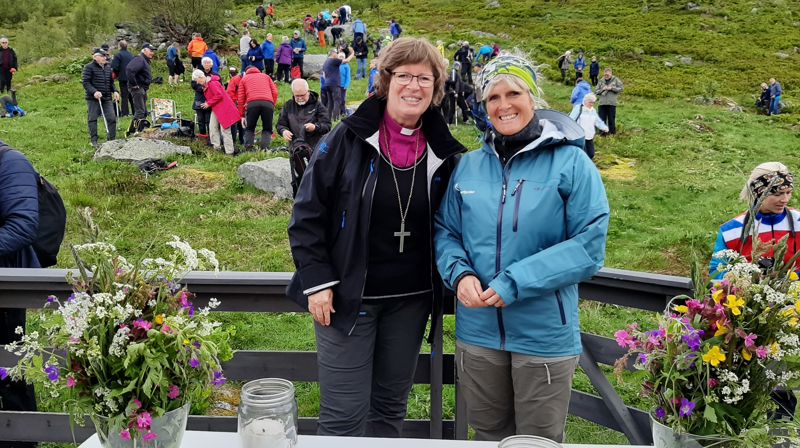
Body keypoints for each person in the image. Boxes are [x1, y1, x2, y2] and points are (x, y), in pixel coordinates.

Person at [287, 37, 465, 438]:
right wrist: (317, 282)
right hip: (348, 300)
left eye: (425, 77)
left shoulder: (446, 153)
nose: (413, 86)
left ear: (436, 87)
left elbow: (454, 224)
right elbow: (307, 215)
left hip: (410, 301)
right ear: (385, 80)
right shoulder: (345, 140)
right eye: (403, 75)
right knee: (343, 415)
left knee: (388, 410)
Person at [434, 54, 609, 443]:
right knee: (489, 433)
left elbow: (589, 244)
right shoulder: (468, 166)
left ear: (534, 98)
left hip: (544, 335)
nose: (503, 104)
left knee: (538, 440)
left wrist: (514, 282)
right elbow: (446, 230)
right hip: (477, 332)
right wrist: (459, 272)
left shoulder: (572, 163)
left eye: (513, 92)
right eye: (492, 97)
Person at [708, 162, 798, 419]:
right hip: (749, 321)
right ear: (758, 192)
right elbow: (716, 271)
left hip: (791, 316)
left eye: (788, 192)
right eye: (776, 193)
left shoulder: (799, 222)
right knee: (746, 384)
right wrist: (748, 274)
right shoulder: (733, 230)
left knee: (783, 385)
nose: (784, 199)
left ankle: (781, 434)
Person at [0, 140, 42, 448]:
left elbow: (23, 225)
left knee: (10, 372)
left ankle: (24, 440)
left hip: (6, 289)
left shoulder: (11, 163)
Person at [277, 79, 331, 194]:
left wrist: (315, 127)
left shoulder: (318, 105)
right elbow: (280, 124)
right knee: (301, 176)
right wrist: (283, 131)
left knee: (316, 175)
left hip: (316, 147)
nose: (300, 98)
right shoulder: (288, 106)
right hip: (296, 148)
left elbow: (327, 126)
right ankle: (303, 198)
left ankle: (319, 196)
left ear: (308, 91)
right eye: (297, 96)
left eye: (302, 95)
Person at [193, 70, 239, 155]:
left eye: (196, 80)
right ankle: (216, 147)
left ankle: (229, 152)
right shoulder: (206, 85)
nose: (197, 82)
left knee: (225, 130)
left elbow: (219, 95)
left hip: (224, 108)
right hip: (216, 108)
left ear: (200, 78)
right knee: (212, 127)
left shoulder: (212, 83)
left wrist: (208, 103)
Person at [82, 48, 119, 147]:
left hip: (107, 97)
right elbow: (86, 82)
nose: (105, 58)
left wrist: (115, 91)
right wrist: (94, 91)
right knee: (92, 118)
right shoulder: (89, 67)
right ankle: (94, 140)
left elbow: (111, 82)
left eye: (105, 56)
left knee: (112, 118)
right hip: (93, 98)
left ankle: (112, 139)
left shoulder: (108, 67)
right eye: (102, 56)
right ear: (95, 57)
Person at [238, 65, 279, 150]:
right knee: (267, 128)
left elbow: (241, 98)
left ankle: (249, 148)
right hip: (268, 103)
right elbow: (275, 92)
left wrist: (241, 115)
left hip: (252, 103)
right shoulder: (266, 76)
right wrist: (272, 104)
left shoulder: (244, 79)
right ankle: (265, 149)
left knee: (250, 128)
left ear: (246, 72)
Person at [569, 93, 607, 159]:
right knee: (583, 154)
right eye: (590, 102)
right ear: (585, 101)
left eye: (593, 103)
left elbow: (597, 121)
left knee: (591, 154)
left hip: (589, 136)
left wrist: (604, 127)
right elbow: (571, 120)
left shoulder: (593, 111)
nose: (592, 104)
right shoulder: (578, 108)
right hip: (580, 136)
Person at [126, 43, 155, 124]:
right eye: (151, 50)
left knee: (144, 112)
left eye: (153, 51)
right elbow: (129, 70)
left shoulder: (144, 60)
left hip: (142, 88)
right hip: (137, 89)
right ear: (144, 50)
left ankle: (141, 128)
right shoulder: (139, 59)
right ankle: (133, 131)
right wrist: (134, 85)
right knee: (140, 112)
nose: (152, 53)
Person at [321, 49, 354, 121]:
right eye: (336, 53)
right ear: (333, 54)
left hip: (327, 84)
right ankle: (336, 119)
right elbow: (346, 61)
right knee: (337, 101)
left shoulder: (326, 62)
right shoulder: (333, 60)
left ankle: (329, 118)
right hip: (334, 84)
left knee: (330, 102)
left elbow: (323, 75)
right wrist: (352, 53)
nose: (337, 55)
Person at [193, 57, 218, 137]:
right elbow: (194, 85)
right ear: (202, 64)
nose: (207, 65)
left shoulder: (215, 75)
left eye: (208, 63)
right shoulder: (198, 73)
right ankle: (202, 136)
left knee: (209, 120)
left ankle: (211, 137)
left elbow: (219, 88)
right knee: (200, 120)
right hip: (199, 99)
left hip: (210, 100)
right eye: (205, 63)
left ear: (211, 65)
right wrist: (204, 88)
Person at [595, 67, 623, 135]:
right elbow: (596, 91)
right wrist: (602, 89)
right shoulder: (601, 80)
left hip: (611, 103)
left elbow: (621, 88)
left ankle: (612, 133)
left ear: (611, 74)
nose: (606, 76)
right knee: (601, 119)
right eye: (605, 74)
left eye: (608, 74)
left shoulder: (616, 80)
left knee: (611, 119)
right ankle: (602, 133)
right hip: (602, 103)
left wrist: (612, 88)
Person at [110, 40, 135, 116]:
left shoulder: (118, 55)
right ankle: (135, 111)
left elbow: (115, 67)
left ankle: (125, 112)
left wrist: (116, 74)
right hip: (131, 77)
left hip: (123, 78)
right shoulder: (131, 55)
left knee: (124, 96)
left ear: (119, 46)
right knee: (132, 95)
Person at [226, 66, 245, 145]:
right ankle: (235, 140)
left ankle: (241, 140)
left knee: (241, 123)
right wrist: (236, 101)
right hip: (236, 104)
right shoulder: (235, 79)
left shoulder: (245, 79)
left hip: (242, 104)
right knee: (236, 123)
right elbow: (230, 92)